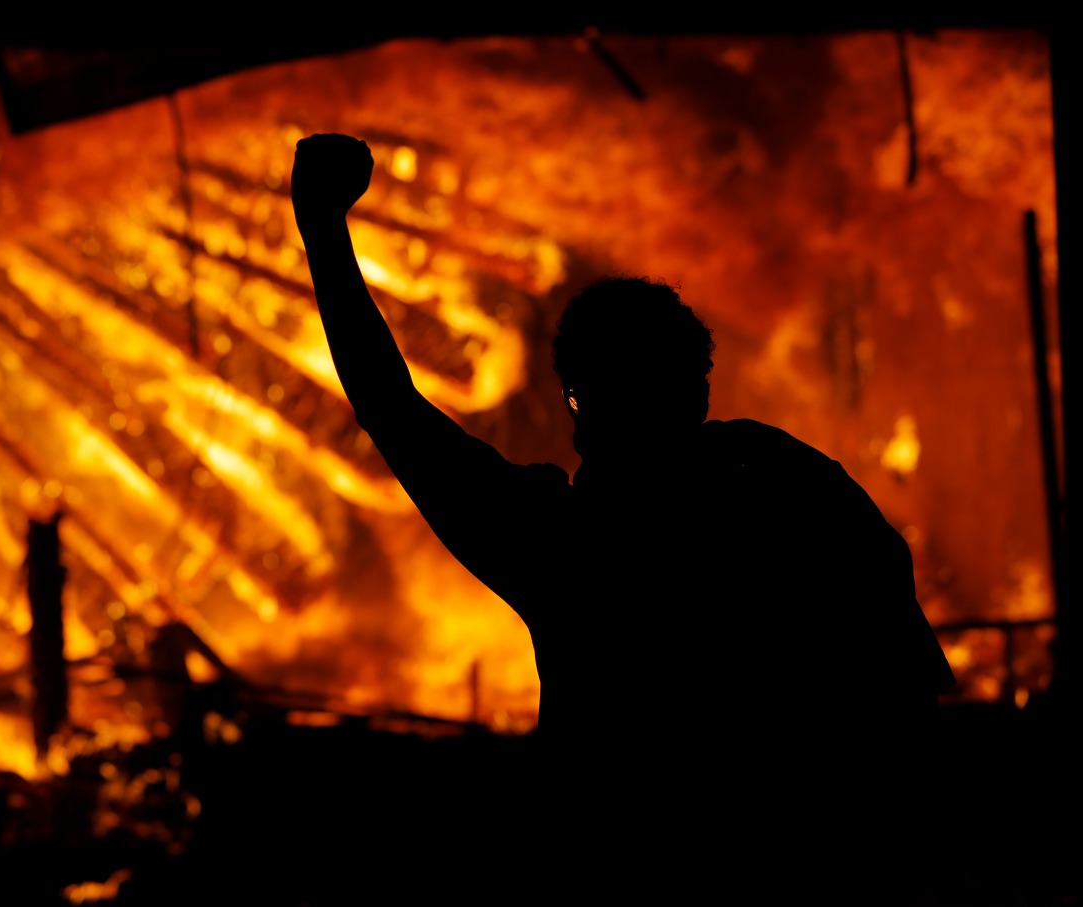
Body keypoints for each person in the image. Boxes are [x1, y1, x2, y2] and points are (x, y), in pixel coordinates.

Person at [290, 133, 955, 901]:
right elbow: (910, 709)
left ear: (578, 402)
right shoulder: (798, 488)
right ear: (699, 387)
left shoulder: (565, 547)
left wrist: (323, 230)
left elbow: (392, 410)